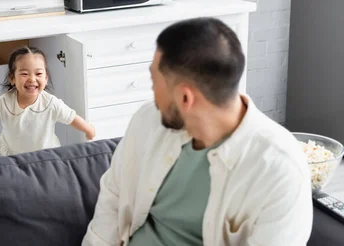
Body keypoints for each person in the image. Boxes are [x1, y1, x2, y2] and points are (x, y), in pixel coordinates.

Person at [82, 17, 312, 246]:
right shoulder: (147, 120)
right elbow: (113, 197)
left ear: (185, 98)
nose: (153, 93)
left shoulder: (279, 170)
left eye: (154, 82)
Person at [0, 46, 96, 160]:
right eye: (24, 74)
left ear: (46, 78)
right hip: (14, 157)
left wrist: (89, 130)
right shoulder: (4, 103)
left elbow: (72, 118)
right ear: (12, 78)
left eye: (39, 73)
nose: (32, 79)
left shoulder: (51, 103)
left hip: (46, 157)